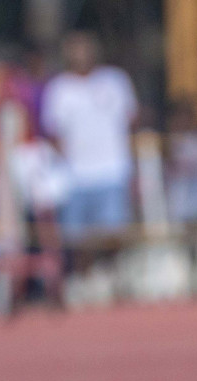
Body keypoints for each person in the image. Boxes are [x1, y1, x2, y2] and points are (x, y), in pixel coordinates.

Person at [40, 31, 139, 255]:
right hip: (76, 176)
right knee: (77, 241)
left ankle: (110, 282)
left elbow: (131, 123)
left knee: (114, 237)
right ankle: (84, 283)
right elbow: (54, 134)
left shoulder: (115, 81)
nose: (81, 54)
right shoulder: (59, 89)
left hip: (113, 171)